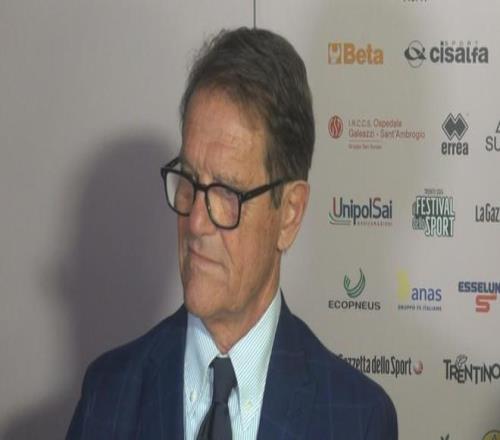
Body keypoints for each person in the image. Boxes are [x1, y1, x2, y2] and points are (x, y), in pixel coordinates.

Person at [67, 27, 397, 439]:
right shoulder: (107, 396)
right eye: (189, 180)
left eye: (226, 192)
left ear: (289, 214)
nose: (195, 222)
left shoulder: (357, 420)